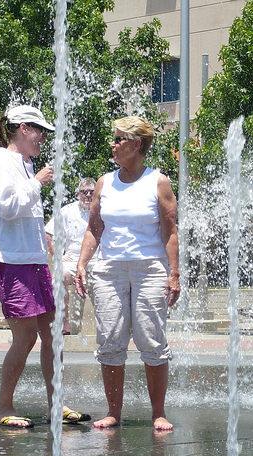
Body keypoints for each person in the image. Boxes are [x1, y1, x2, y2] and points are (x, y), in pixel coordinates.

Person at [0, 104, 90, 428]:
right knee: (25, 337)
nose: (43, 138)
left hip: (33, 260)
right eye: (39, 131)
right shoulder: (0, 164)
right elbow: (9, 208)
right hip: (8, 260)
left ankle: (57, 404)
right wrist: (38, 182)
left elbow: (31, 222)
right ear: (23, 128)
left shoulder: (25, 166)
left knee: (53, 334)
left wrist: (51, 263)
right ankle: (3, 407)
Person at [75, 116, 180, 430]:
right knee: (110, 341)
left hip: (150, 269)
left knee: (151, 340)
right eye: (114, 138)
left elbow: (170, 231)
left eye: (119, 139)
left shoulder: (158, 181)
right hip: (109, 270)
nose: (113, 144)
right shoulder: (105, 182)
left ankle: (158, 412)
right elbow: (95, 229)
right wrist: (82, 263)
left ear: (136, 145)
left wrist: (174, 273)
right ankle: (113, 412)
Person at [45, 178, 97, 335]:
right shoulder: (68, 211)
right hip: (73, 259)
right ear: (78, 194)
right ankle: (64, 322)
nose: (87, 195)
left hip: (96, 259)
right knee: (58, 279)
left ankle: (111, 326)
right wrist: (58, 256)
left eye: (91, 192)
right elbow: (48, 233)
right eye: (84, 192)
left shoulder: (102, 209)